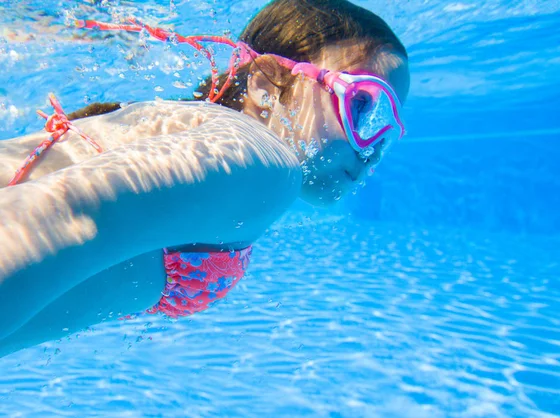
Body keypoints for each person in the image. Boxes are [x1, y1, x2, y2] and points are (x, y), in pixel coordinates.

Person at [0, 0, 410, 357]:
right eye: (364, 108)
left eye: (386, 131)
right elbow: (59, 221)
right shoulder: (263, 165)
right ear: (266, 86)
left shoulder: (233, 156)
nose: (371, 150)